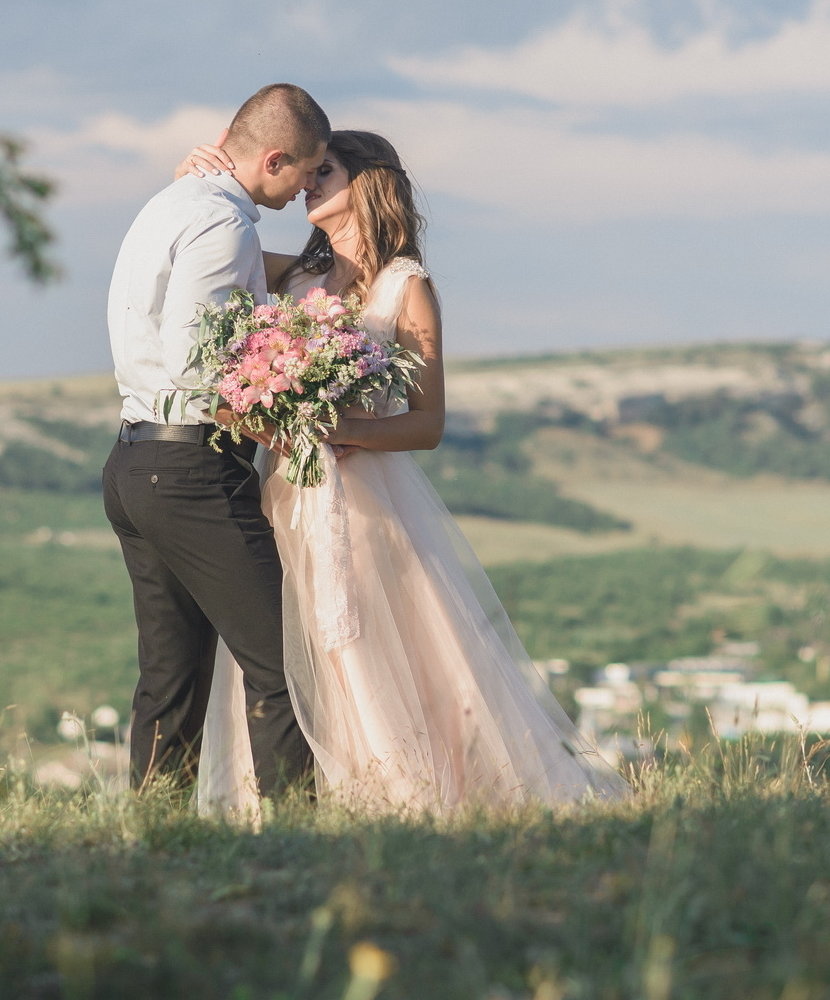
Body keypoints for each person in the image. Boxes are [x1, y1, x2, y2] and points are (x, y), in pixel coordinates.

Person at [174, 129, 629, 814]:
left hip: (365, 506)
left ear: (368, 181)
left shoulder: (405, 287)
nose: (305, 184)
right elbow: (217, 252)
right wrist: (196, 182)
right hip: (284, 499)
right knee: (282, 652)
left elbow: (428, 421)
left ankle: (394, 800)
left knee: (367, 649)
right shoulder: (296, 275)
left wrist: (347, 429)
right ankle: (283, 805)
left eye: (322, 170)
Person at [102, 83, 329, 794]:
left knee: (169, 680)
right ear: (273, 158)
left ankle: (155, 838)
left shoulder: (173, 204)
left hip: (136, 462)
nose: (302, 192)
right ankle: (297, 840)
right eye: (304, 172)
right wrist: (282, 423)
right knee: (283, 666)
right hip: (192, 468)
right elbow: (197, 362)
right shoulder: (224, 225)